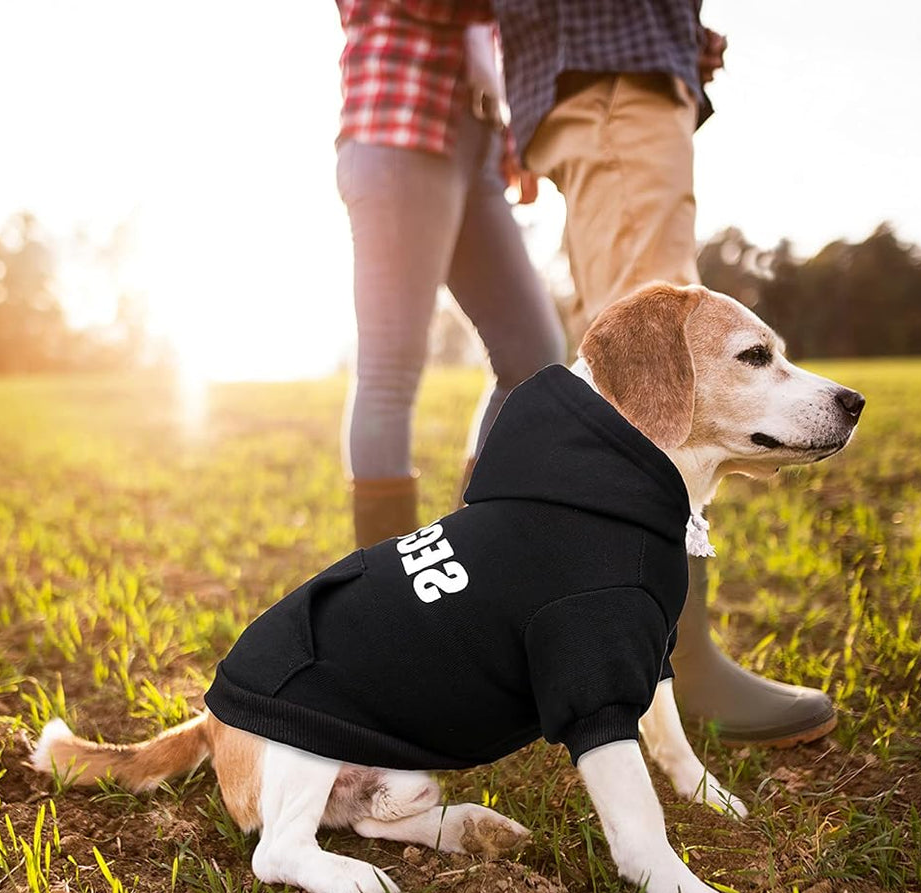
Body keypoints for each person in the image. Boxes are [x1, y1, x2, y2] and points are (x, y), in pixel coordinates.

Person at [493, 1, 837, 747]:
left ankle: (520, 617)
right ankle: (675, 659)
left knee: (629, 342)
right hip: (612, 63)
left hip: (614, 67)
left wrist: (681, 31)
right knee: (655, 343)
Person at [334, 0, 565, 548]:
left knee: (534, 356)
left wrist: (510, 137)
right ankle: (385, 592)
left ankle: (468, 554)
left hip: (476, 141)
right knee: (391, 366)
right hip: (398, 129)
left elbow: (485, 44)